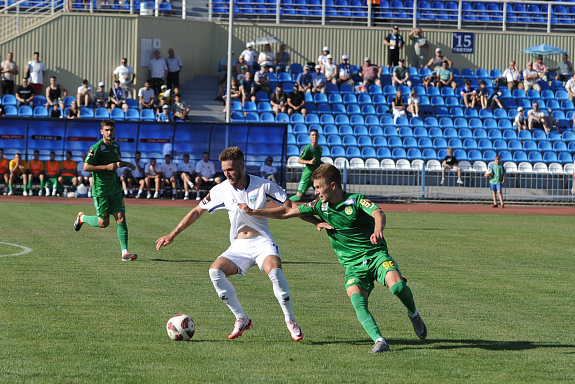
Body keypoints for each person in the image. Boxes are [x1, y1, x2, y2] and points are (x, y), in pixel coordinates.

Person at [239, 163, 426, 353]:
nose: (317, 192)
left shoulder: (356, 200)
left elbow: (378, 213)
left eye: (319, 187)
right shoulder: (320, 206)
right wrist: (254, 212)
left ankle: (414, 314)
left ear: (333, 185)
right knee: (356, 297)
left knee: (398, 287)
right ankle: (379, 341)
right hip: (353, 266)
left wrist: (378, 229)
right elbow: (288, 211)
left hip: (375, 255)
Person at [155, 146, 304, 342]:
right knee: (215, 272)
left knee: (275, 272)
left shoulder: (263, 186)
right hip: (238, 247)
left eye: (231, 169)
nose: (227, 174)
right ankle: (241, 318)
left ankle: (290, 321)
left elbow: (291, 208)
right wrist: (173, 233)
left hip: (262, 243)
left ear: (242, 166)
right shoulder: (220, 190)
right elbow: (196, 211)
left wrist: (317, 220)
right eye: (224, 170)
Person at [72, 120, 140, 261]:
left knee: (121, 218)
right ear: (101, 131)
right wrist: (106, 167)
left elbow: (115, 163)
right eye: (106, 130)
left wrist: (126, 164)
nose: (109, 132)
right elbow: (86, 167)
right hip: (101, 189)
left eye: (111, 130)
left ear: (114, 131)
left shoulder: (116, 146)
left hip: (114, 188)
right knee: (104, 223)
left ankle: (125, 253)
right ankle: (82, 218)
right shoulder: (96, 148)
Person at [290, 129, 323, 201]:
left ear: (318, 136)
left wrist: (323, 165)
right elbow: (299, 160)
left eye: (316, 135)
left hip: (316, 175)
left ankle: (323, 210)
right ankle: (284, 203)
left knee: (321, 194)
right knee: (299, 196)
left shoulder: (319, 148)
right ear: (310, 137)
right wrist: (309, 162)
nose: (314, 137)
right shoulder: (307, 148)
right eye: (313, 135)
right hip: (307, 175)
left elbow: (317, 160)